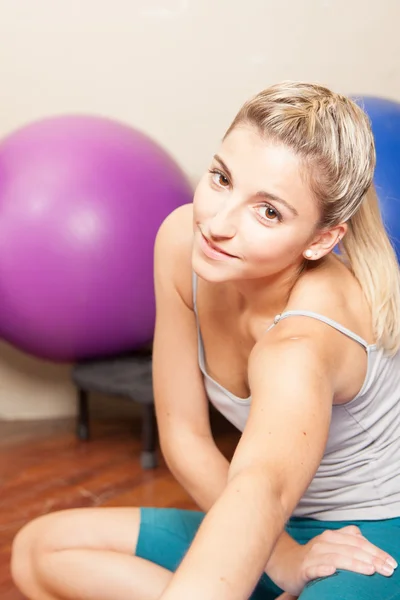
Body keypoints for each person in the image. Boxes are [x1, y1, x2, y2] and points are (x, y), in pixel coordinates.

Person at [10, 81, 400, 600]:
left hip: (366, 534)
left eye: (268, 212)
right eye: (221, 178)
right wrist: (283, 557)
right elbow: (186, 436)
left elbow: (265, 483)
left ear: (321, 240)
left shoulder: (305, 341)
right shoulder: (181, 242)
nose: (217, 224)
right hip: (267, 522)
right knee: (39, 552)